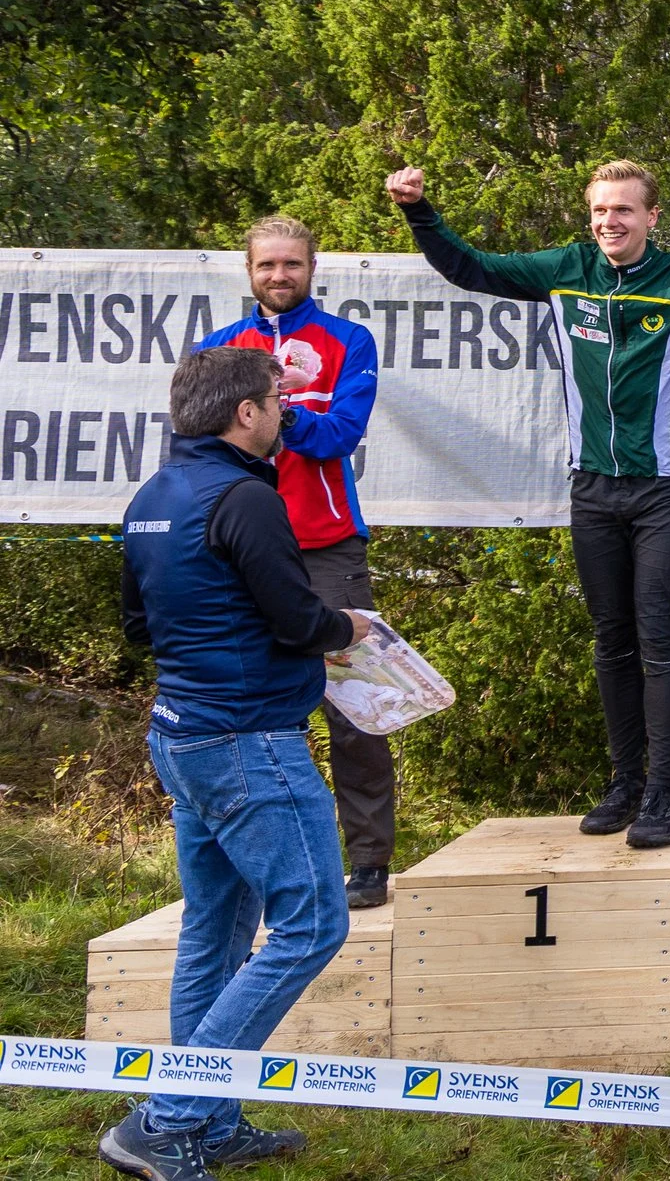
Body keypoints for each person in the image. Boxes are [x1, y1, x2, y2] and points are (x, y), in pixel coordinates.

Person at [387, 162, 670, 850]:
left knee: (659, 637)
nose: (610, 222)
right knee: (612, 641)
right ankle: (624, 785)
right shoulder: (566, 268)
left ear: (652, 217)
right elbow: (469, 269)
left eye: (625, 211)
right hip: (592, 488)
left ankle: (663, 798)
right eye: (601, 211)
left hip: (665, 486)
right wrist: (418, 211)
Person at [103, 347, 372, 1181]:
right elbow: (297, 621)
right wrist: (350, 630)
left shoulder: (153, 496)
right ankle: (168, 1118)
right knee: (314, 925)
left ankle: (207, 1124)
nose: (284, 415)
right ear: (244, 414)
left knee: (215, 933)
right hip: (249, 744)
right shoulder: (246, 496)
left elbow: (140, 628)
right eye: (275, 404)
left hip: (181, 735)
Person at [197, 216, 396, 911]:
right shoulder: (219, 348)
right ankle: (257, 862)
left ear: (313, 268)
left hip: (327, 544)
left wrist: (275, 415)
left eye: (291, 265)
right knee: (246, 705)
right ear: (248, 272)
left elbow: (342, 432)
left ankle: (369, 860)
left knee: (354, 707)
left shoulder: (348, 340)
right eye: (266, 266)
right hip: (237, 549)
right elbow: (199, 442)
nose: (278, 276)